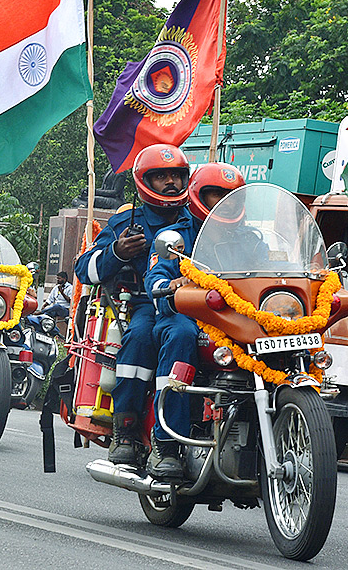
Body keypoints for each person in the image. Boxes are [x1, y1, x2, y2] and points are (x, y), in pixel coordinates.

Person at [74, 144, 191, 466]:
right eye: (161, 177)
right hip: (145, 302)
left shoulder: (198, 216)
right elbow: (85, 269)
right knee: (140, 336)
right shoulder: (128, 219)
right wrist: (118, 251)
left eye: (177, 176)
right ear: (144, 181)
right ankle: (126, 428)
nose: (171, 183)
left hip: (207, 304)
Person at [144, 162, 245, 478]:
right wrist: (170, 286)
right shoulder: (175, 235)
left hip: (235, 321)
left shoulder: (250, 238)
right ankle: (167, 445)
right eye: (215, 194)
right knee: (182, 335)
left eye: (230, 196)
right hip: (183, 316)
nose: (222, 202)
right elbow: (156, 276)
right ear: (199, 195)